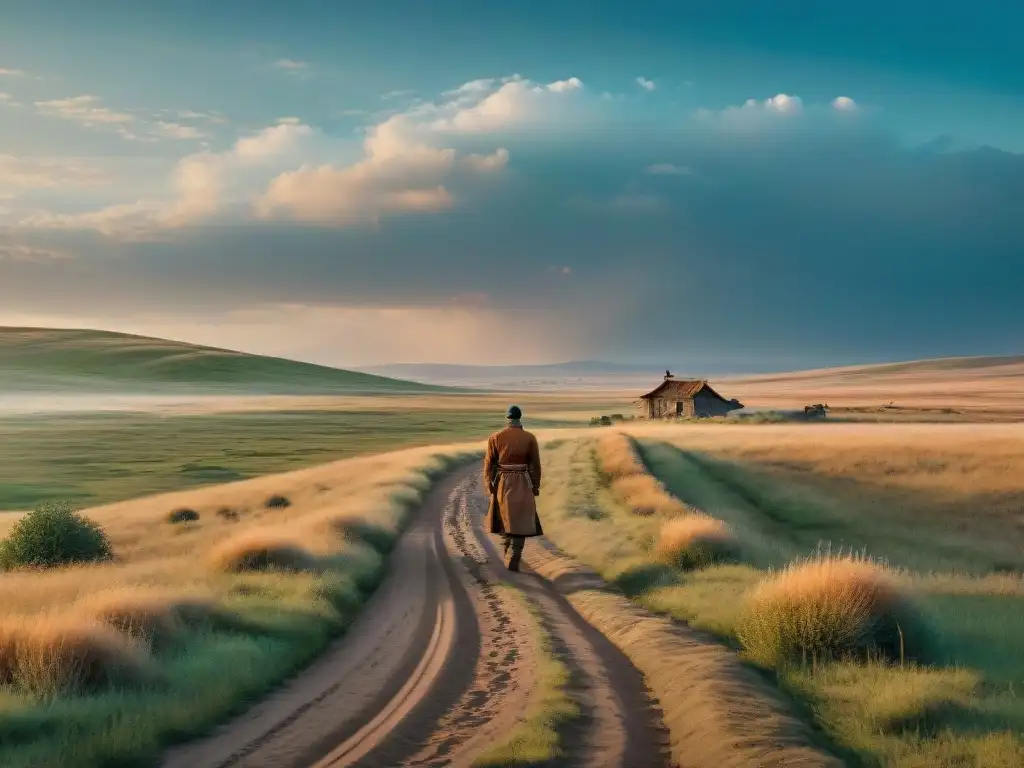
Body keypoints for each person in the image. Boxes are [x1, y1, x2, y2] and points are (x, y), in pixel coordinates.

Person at [483, 404, 543, 571]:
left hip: (503, 482)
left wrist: (490, 486)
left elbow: (488, 465)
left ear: (507, 419)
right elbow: (536, 466)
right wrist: (535, 486)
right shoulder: (530, 438)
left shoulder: (495, 438)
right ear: (519, 418)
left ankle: (507, 552)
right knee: (521, 519)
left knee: (504, 518)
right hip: (523, 481)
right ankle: (514, 555)